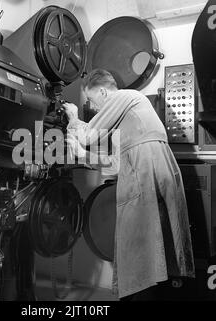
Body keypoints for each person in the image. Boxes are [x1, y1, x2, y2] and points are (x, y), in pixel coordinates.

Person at [62, 68, 195, 301]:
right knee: (150, 250)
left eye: (92, 100)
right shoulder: (124, 121)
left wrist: (73, 118)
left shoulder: (126, 96)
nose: (92, 107)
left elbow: (89, 135)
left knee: (142, 249)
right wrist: (82, 155)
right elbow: (114, 165)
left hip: (147, 173)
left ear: (103, 92)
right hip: (149, 172)